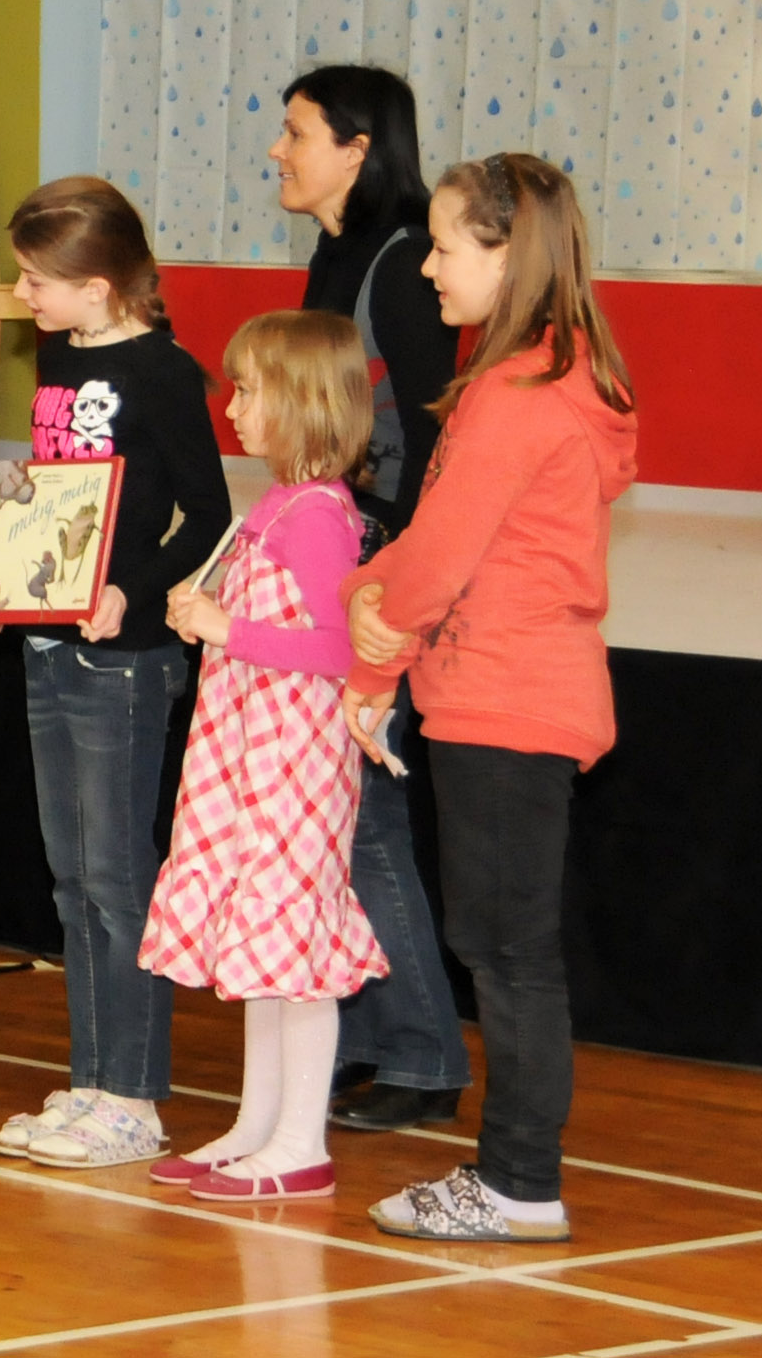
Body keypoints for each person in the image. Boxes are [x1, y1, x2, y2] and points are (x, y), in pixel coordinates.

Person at [345, 153, 636, 1244]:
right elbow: (432, 547)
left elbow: (436, 561)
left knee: (509, 954)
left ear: (509, 255)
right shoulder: (535, 378)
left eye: (445, 247)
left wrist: (370, 647)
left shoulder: (517, 396)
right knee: (499, 944)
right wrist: (369, 601)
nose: (428, 268)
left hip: (510, 697)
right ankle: (515, 1178)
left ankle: (518, 1183)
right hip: (499, 690)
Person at [0, 177, 229, 1169]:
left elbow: (206, 514)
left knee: (119, 878)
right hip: (49, 640)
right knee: (73, 878)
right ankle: (92, 1080)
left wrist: (134, 586)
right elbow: (62, 484)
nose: (22, 292)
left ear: (98, 285)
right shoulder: (56, 352)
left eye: (36, 278)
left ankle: (134, 1094)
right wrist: (11, 498)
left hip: (121, 660)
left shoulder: (161, 371)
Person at [141, 310, 387, 1201]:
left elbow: (339, 648)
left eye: (248, 390)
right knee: (261, 944)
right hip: (253, 751)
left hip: (296, 760)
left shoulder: (318, 515)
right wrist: (209, 615)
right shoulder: (283, 503)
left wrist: (228, 629)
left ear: (302, 400)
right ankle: (258, 1124)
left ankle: (299, 1141)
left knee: (294, 941)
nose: (233, 408)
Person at [267, 66, 471, 1129]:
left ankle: (425, 1053)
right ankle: (354, 1034)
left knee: (371, 821)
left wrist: (386, 577)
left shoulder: (400, 263)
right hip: (331, 558)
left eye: (296, 132)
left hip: (376, 573)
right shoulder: (334, 252)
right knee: (332, 816)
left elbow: (435, 441)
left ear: (357, 147)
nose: (278, 150)